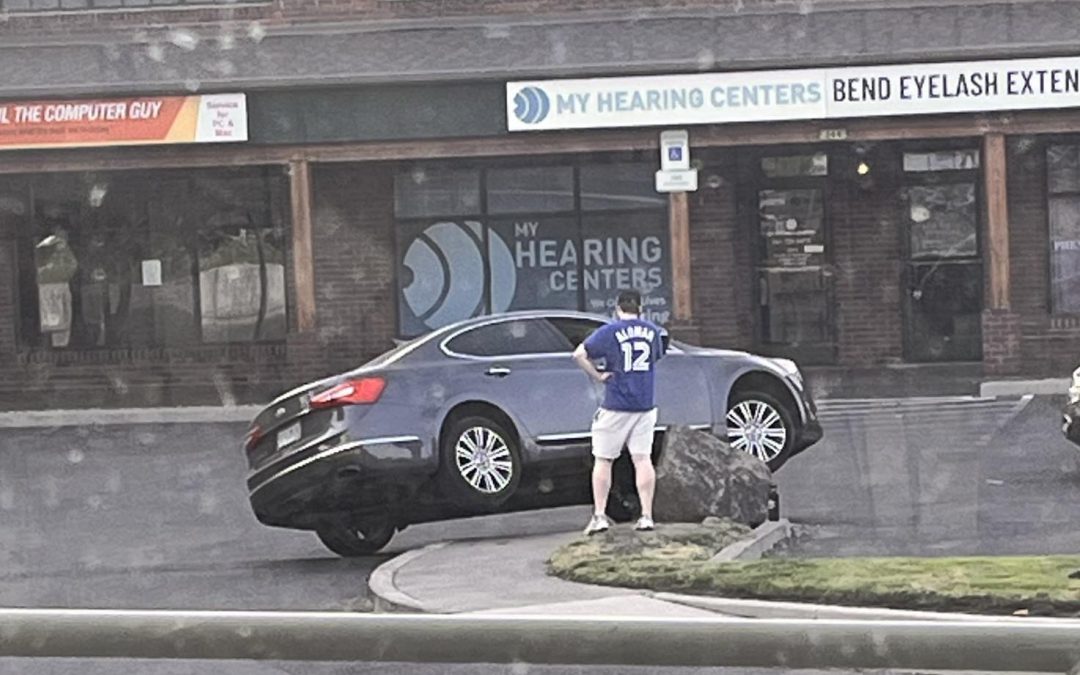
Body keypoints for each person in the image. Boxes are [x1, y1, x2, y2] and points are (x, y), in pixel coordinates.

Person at [573, 289, 665, 535]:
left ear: (617, 309)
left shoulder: (610, 332)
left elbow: (579, 354)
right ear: (640, 308)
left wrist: (598, 375)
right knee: (642, 459)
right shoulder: (652, 332)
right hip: (645, 404)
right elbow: (656, 357)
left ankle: (599, 516)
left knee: (604, 460)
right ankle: (647, 515)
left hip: (616, 403)